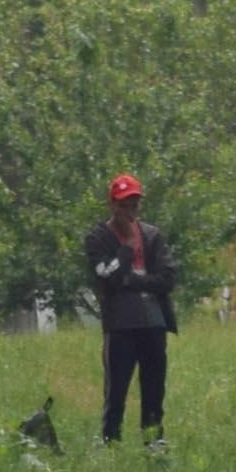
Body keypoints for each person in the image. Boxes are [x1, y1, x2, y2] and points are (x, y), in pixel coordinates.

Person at [83, 174, 179, 446]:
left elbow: (168, 279)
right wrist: (125, 250)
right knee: (116, 388)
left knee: (154, 385)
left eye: (134, 204)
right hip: (120, 324)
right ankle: (110, 440)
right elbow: (107, 279)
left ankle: (153, 440)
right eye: (124, 205)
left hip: (154, 322)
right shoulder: (98, 238)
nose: (130, 211)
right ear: (112, 205)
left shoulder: (153, 236)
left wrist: (132, 281)